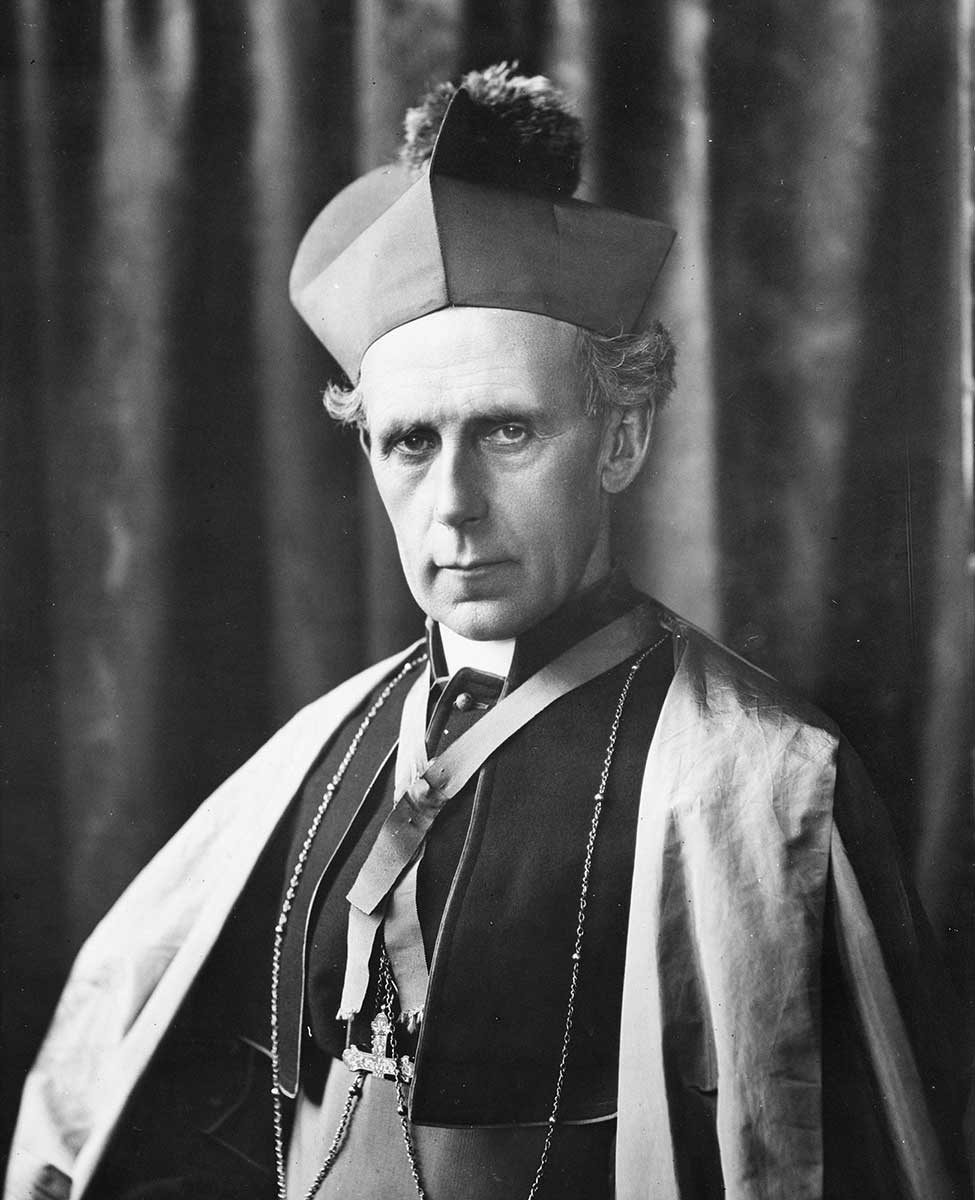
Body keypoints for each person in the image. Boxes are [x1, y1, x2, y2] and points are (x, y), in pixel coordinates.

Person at [5, 65, 970, 1200]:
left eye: (508, 432)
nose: (453, 503)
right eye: (411, 443)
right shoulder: (322, 748)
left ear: (619, 441)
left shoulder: (768, 787)